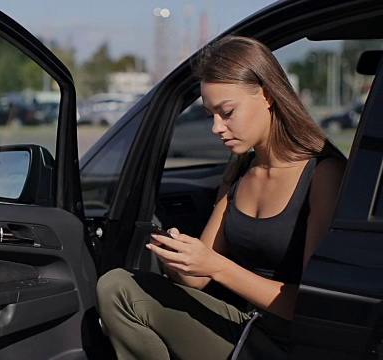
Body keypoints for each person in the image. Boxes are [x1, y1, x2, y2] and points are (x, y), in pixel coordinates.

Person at [96, 35, 346, 360]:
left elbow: (311, 306)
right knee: (116, 287)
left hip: (292, 341)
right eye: (210, 114)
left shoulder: (323, 173)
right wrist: (178, 255)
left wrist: (216, 267)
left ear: (268, 95)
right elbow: (195, 280)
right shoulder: (240, 169)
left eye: (227, 112)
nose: (216, 127)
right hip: (242, 326)